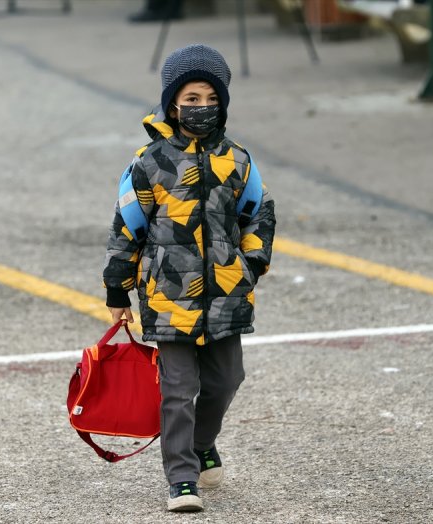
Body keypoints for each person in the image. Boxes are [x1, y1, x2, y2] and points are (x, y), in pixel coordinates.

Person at [103, 44, 275, 512]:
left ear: (222, 102)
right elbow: (126, 227)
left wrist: (251, 265)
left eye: (209, 98)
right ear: (172, 103)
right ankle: (182, 478)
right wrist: (118, 287)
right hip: (169, 295)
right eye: (190, 99)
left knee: (226, 380)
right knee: (178, 391)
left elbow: (258, 215)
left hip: (226, 295)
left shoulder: (237, 160)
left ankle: (201, 443)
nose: (200, 108)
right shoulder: (149, 162)